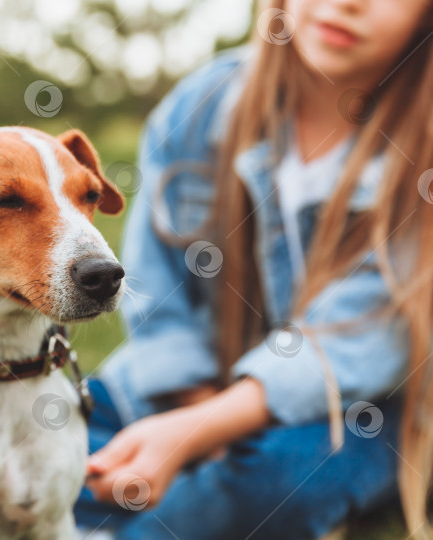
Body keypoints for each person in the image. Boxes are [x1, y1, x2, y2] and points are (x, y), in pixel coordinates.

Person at [74, 0, 433, 539]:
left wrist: (198, 433)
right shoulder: (199, 107)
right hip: (182, 394)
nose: (348, 3)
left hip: (350, 413)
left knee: (285, 477)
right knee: (48, 431)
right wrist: (194, 423)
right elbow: (160, 296)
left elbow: (361, 337)